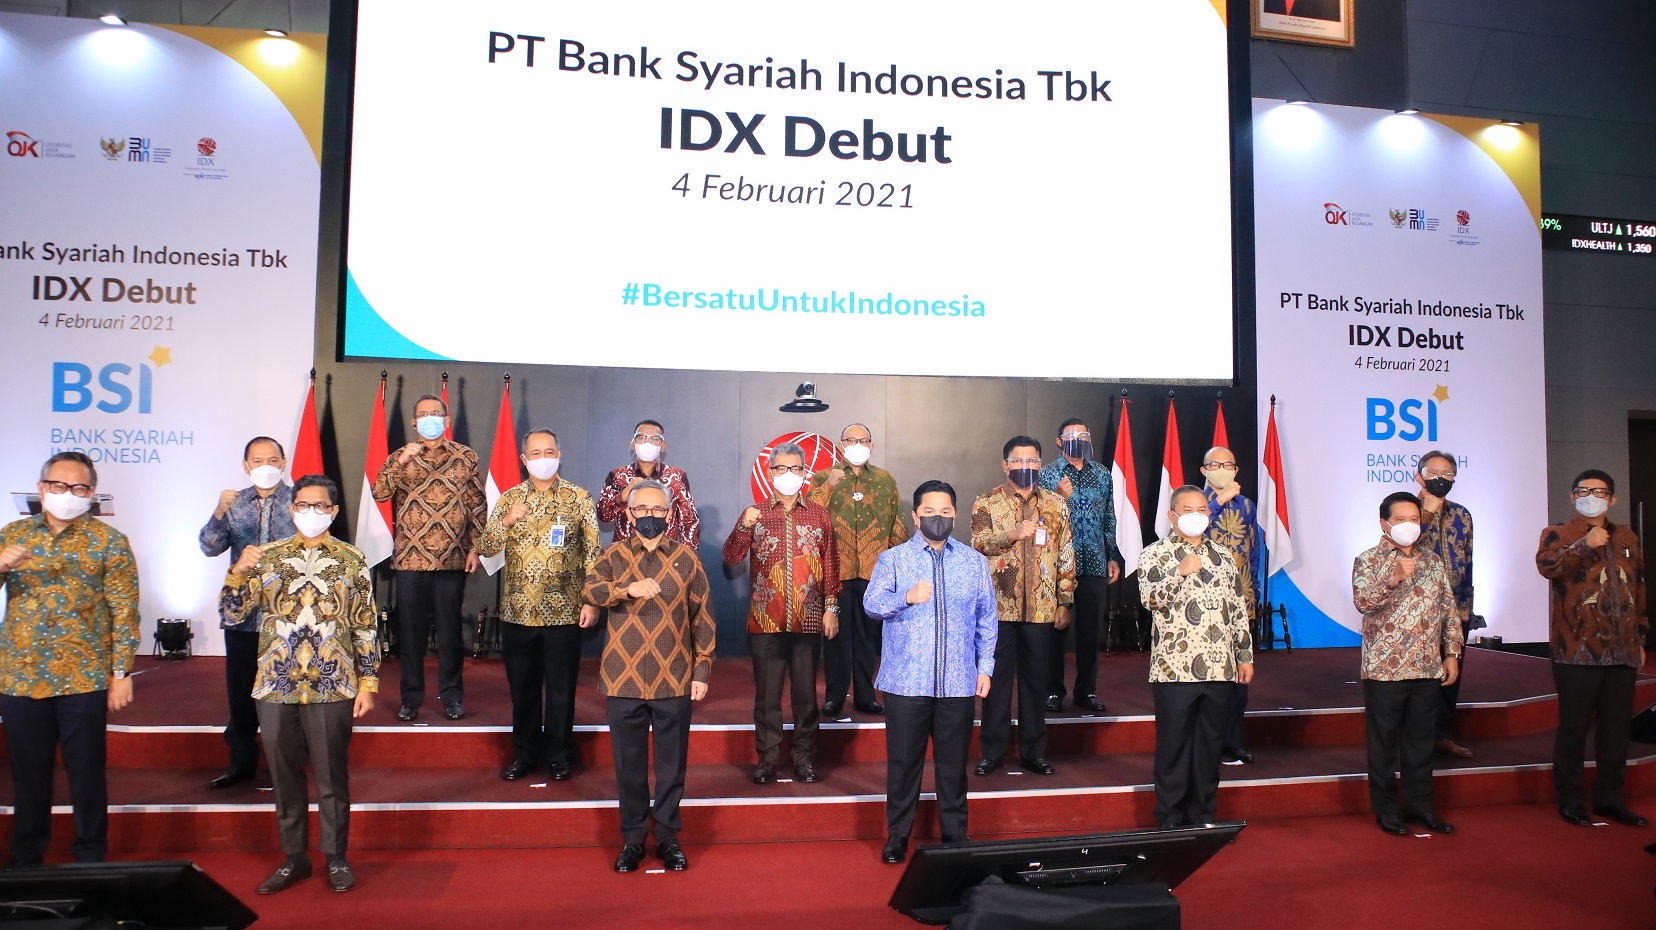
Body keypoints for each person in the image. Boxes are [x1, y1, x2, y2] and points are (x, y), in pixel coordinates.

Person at [220, 474, 380, 893]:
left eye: (320, 506)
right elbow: (233, 614)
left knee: (331, 776)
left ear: (334, 511)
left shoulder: (351, 559)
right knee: (284, 776)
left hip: (333, 682)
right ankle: (294, 858)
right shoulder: (267, 557)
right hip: (276, 683)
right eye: (303, 505)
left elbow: (365, 624)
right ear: (292, 510)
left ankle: (336, 857)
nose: (311, 512)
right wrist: (237, 572)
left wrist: (368, 682)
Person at [0, 452, 139, 866]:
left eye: (78, 487)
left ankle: (91, 858)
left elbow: (124, 609)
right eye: (58, 486)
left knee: (87, 772)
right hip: (22, 675)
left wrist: (121, 672)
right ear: (41, 489)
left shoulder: (109, 541)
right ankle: (25, 860)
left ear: (91, 493)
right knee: (28, 774)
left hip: (85, 676)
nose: (68, 494)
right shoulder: (13, 535)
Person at [583, 481, 716, 872]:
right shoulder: (614, 555)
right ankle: (633, 839)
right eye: (642, 509)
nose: (650, 516)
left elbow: (704, 619)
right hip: (622, 679)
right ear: (629, 514)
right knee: (629, 767)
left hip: (674, 677)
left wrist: (702, 670)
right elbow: (590, 590)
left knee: (672, 767)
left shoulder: (688, 559)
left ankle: (669, 838)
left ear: (670, 514)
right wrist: (628, 589)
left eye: (658, 510)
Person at [865, 480, 997, 864]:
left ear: (954, 514)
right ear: (915, 516)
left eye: (944, 512)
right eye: (929, 512)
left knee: (953, 768)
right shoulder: (893, 559)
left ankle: (955, 836)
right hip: (906, 682)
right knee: (904, 765)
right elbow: (872, 604)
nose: (937, 518)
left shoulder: (973, 562)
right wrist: (905, 597)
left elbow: (987, 620)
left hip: (958, 681)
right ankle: (897, 837)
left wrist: (985, 667)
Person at [477, 429, 600, 782]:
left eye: (549, 451)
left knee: (561, 689)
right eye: (535, 453)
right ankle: (525, 753)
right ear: (524, 459)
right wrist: (505, 522)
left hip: (565, 612)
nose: (543, 458)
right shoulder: (509, 498)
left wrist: (592, 600)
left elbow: (593, 553)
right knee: (523, 689)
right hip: (518, 612)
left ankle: (559, 755)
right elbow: (486, 547)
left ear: (559, 455)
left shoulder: (579, 498)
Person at [724, 442, 841, 784]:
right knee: (767, 697)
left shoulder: (819, 514)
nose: (788, 474)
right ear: (770, 472)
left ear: (804, 472)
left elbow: (832, 565)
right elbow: (731, 558)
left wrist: (831, 609)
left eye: (795, 468)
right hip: (766, 618)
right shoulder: (756, 513)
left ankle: (804, 758)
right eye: (781, 468)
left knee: (806, 696)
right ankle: (768, 759)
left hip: (808, 616)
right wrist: (743, 526)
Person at [1536, 469, 1648, 828]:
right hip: (1577, 649)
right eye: (1583, 491)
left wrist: (1640, 637)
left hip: (1623, 648)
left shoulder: (1627, 536)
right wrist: (1585, 544)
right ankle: (1570, 799)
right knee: (1574, 728)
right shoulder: (1557, 533)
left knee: (1615, 731)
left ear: (1612, 500)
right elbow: (1548, 567)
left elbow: (1639, 587)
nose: (1591, 497)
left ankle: (1609, 798)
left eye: (1600, 492)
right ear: (1572, 497)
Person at [1138, 485, 1254, 829]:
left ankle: (1202, 815)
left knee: (1209, 746)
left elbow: (1237, 609)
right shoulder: (1155, 554)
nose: (1197, 516)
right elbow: (1150, 599)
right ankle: (1169, 818)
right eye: (1189, 510)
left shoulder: (1223, 556)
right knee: (1173, 746)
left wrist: (1244, 655)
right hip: (1175, 669)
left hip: (1220, 668)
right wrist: (1179, 572)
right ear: (1173, 516)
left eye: (1203, 510)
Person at [372, 393, 486, 722]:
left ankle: (452, 697)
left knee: (450, 635)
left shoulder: (465, 456)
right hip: (411, 561)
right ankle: (410, 699)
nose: (429, 419)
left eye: (436, 413)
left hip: (452, 559)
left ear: (446, 421)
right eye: (423, 414)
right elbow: (380, 492)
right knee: (411, 635)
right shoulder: (400, 456)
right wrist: (401, 462)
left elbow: (478, 506)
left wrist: (476, 547)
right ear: (413, 422)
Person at [1352, 491, 1461, 836]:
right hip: (1385, 669)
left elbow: (1448, 609)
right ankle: (1386, 811)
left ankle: (1420, 808)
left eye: (1414, 519)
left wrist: (1451, 653)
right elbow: (1363, 602)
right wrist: (1393, 577)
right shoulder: (1368, 560)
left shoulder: (1432, 560)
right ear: (1384, 524)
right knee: (1383, 745)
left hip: (1427, 666)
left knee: (1421, 743)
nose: (1409, 525)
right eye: (1401, 520)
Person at [971, 436, 1074, 777]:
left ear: (1040, 464)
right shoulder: (987, 501)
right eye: (1018, 460)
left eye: (1032, 460)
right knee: (997, 684)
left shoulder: (1056, 504)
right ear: (1005, 465)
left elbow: (1066, 555)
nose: (1025, 466)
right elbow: (978, 545)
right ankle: (992, 752)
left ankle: (1033, 752)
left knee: (1035, 684)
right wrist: (1012, 535)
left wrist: (1064, 600)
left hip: (1042, 608)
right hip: (998, 609)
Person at [198, 436, 295, 790]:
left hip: (288, 617)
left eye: (272, 459)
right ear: (245, 466)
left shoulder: (298, 501)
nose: (265, 466)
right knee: (241, 696)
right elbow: (209, 547)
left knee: (286, 693)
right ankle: (241, 763)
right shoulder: (234, 503)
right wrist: (218, 512)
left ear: (283, 462)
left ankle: (287, 767)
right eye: (257, 460)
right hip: (242, 615)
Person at [809, 422, 908, 718]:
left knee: (867, 638)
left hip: (873, 572)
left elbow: (897, 523)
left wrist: (898, 566)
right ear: (841, 445)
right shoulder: (823, 477)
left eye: (863, 440)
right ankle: (835, 696)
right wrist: (830, 485)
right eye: (851, 440)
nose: (857, 445)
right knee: (836, 638)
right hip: (835, 571)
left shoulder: (884, 480)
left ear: (871, 446)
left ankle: (866, 696)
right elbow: (810, 516)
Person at [1038, 417, 1121, 713]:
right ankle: (1052, 690)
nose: (1078, 441)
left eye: (1083, 436)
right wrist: (1058, 498)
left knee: (1090, 630)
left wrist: (1112, 555)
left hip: (1095, 561)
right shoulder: (1047, 474)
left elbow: (1109, 517)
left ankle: (1086, 690)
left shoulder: (1102, 473)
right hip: (1058, 564)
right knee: (1055, 629)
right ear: (1059, 442)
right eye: (1072, 437)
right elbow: (1039, 520)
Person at [1198, 447, 1263, 764]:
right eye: (1215, 464)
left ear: (1236, 470)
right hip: (1204, 602)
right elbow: (1189, 531)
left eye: (1228, 464)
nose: (1222, 469)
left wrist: (1254, 591)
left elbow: (1253, 550)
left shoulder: (1247, 505)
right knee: (1207, 674)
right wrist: (1218, 501)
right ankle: (1206, 742)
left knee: (1239, 675)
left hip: (1241, 600)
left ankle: (1232, 741)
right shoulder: (1195, 502)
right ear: (1204, 470)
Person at [1413, 450, 1475, 759]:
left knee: (1450, 677)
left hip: (1455, 611)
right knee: (1419, 680)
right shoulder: (1404, 510)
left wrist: (1467, 608)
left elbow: (1468, 561)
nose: (1441, 478)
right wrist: (1425, 514)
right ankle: (1415, 741)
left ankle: (1443, 735)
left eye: (1448, 474)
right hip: (1417, 613)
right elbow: (1402, 548)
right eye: (1434, 472)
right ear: (1419, 476)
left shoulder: (1462, 515)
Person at [596, 419, 700, 546]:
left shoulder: (677, 477)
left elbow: (689, 522)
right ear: (633, 443)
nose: (647, 443)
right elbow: (603, 516)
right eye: (641, 437)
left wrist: (687, 554)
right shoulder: (617, 476)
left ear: (663, 446)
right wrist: (621, 497)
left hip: (665, 552)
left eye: (655, 438)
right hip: (625, 552)